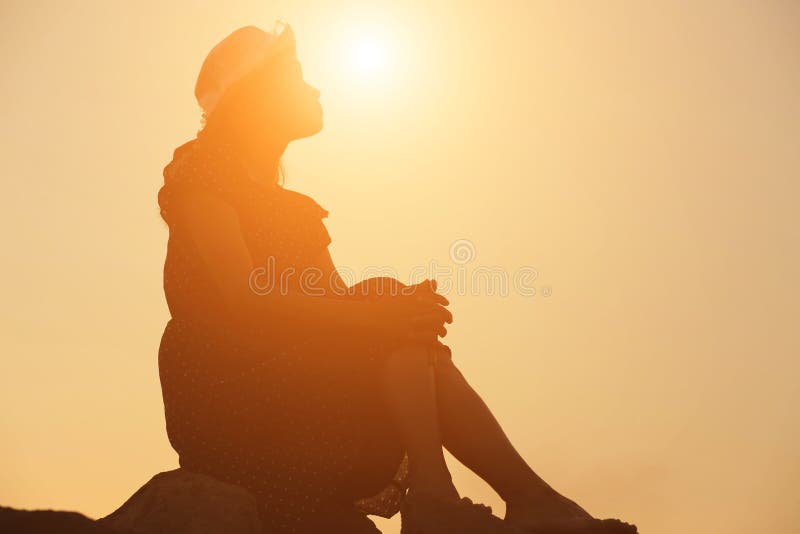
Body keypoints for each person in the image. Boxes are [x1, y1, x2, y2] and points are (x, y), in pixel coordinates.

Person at [156, 21, 638, 534]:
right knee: (383, 318)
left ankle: (455, 494)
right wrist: (381, 313)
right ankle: (492, 498)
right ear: (255, 96)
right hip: (229, 393)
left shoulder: (294, 211)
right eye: (295, 75)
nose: (314, 87)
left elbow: (329, 310)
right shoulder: (203, 170)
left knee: (391, 314)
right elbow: (245, 296)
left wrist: (395, 308)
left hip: (288, 383)